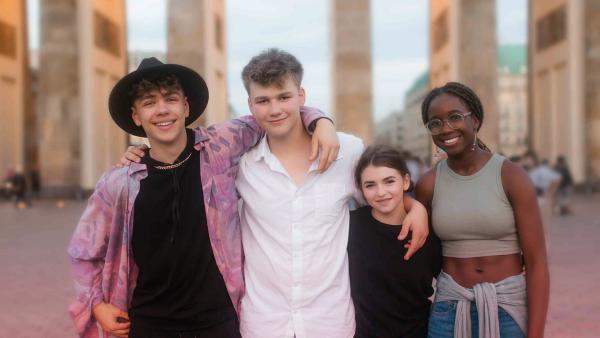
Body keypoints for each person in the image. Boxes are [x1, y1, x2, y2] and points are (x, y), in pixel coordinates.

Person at [121, 49, 430, 338]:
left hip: (330, 321)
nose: (275, 109)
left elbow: (381, 200)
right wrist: (142, 154)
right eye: (263, 100)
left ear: (301, 96)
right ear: (250, 105)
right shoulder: (238, 163)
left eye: (284, 97)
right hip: (262, 323)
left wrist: (413, 206)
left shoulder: (347, 152)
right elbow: (183, 156)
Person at [67, 57, 338, 338]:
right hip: (147, 323)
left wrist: (320, 121)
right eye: (148, 103)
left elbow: (273, 114)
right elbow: (83, 252)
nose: (162, 110)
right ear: (136, 116)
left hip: (218, 322)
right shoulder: (119, 182)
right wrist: (96, 303)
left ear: (185, 106)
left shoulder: (220, 147)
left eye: (170, 99)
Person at [416, 82, 549, 338]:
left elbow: (536, 262)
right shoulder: (428, 184)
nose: (446, 128)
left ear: (474, 121)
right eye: (436, 122)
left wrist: (536, 334)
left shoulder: (511, 176)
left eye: (455, 117)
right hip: (449, 309)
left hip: (507, 307)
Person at [349, 145, 442, 338]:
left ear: (406, 181)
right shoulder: (350, 225)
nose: (381, 192)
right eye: (370, 185)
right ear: (361, 189)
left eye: (389, 181)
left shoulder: (428, 231)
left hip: (420, 333)